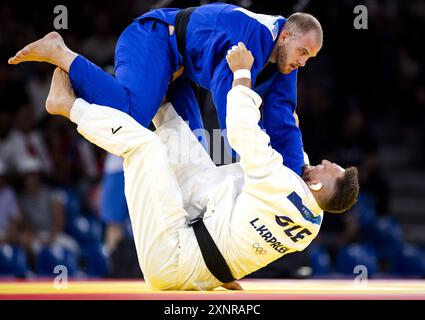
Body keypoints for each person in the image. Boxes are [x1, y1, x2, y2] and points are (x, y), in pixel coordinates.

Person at [42, 42, 358, 291]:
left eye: (326, 167)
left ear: (316, 186)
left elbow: (241, 131)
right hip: (200, 239)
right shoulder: (312, 224)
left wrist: (242, 74)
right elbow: (293, 177)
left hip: (170, 256)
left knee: (146, 147)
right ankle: (164, 84)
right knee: (177, 132)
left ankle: (69, 107)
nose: (323, 162)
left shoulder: (281, 186)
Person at [8, 3, 322, 176]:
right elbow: (234, 113)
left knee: (196, 160)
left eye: (309, 58)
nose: (303, 63)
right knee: (134, 112)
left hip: (178, 68)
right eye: (303, 52)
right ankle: (62, 53)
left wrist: (298, 172)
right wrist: (262, 170)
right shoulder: (249, 38)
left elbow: (283, 120)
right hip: (154, 39)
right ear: (285, 37)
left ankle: (211, 264)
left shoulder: (285, 62)